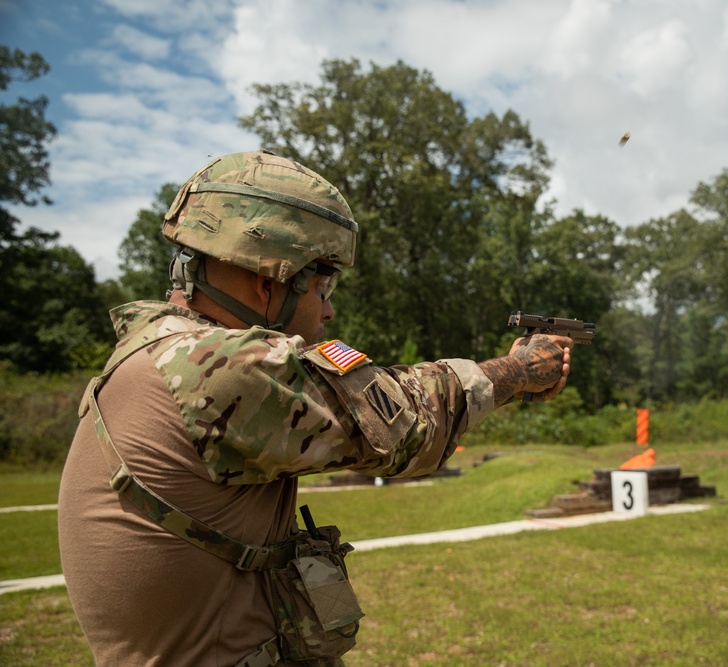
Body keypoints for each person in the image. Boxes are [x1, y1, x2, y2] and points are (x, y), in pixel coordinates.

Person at [57, 150, 574, 667]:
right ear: (269, 282)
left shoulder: (154, 352)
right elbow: (405, 425)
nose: (328, 308)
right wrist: (523, 370)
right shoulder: (211, 368)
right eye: (322, 285)